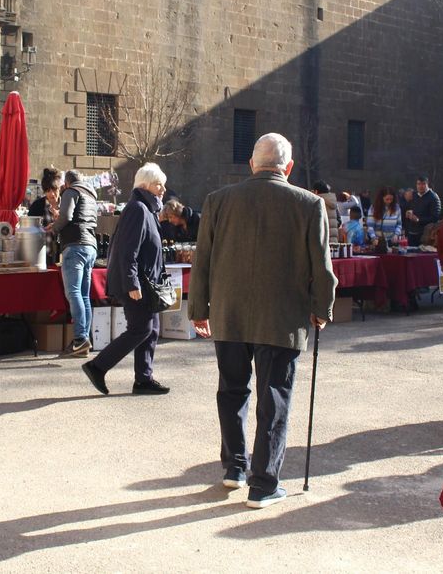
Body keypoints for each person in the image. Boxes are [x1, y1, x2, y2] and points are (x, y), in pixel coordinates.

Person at [190, 133, 338, 510]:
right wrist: (323, 309)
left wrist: (199, 310)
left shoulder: (218, 201)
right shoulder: (308, 204)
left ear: (252, 164)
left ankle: (234, 468)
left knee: (231, 391)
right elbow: (322, 268)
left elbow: (202, 260)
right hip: (282, 318)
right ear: (288, 168)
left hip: (229, 314)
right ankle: (263, 483)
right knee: (274, 399)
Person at [81, 163, 171, 395]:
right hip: (135, 283)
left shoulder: (148, 209)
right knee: (140, 329)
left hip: (146, 283)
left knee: (151, 329)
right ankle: (97, 366)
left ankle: (144, 379)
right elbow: (126, 250)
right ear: (146, 186)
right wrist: (132, 283)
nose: (163, 189)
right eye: (159, 185)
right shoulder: (138, 209)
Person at [49, 170, 99, 355]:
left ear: (67, 183)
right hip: (90, 246)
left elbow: (67, 217)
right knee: (84, 295)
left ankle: (79, 339)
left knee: (74, 293)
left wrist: (53, 229)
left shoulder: (71, 192)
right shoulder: (91, 195)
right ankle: (84, 339)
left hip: (75, 246)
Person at [405, 175, 442, 246]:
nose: (420, 186)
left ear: (427, 184)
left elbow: (435, 217)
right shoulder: (414, 195)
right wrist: (409, 212)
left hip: (425, 234)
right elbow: (412, 207)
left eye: (423, 184)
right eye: (418, 184)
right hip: (412, 232)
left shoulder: (433, 197)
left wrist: (418, 220)